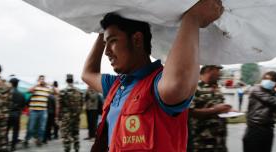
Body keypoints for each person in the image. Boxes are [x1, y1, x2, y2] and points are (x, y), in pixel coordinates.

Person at [81, 0, 224, 151]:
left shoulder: (156, 83)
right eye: (106, 44)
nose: (107, 52)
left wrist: (193, 18)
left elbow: (176, 84)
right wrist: (103, 32)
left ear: (137, 39)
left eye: (113, 41)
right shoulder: (116, 86)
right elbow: (88, 74)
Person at [189, 65, 232, 152]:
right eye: (217, 70)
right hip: (202, 144)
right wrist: (214, 110)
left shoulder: (216, 88)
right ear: (209, 70)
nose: (219, 73)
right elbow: (189, 112)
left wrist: (228, 110)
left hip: (219, 143)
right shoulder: (193, 87)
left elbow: (219, 107)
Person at [243, 71, 276, 152]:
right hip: (255, 129)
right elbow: (274, 102)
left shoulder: (271, 92)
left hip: (268, 129)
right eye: (265, 79)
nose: (266, 81)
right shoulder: (256, 90)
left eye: (271, 80)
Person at [24, 75, 52, 147]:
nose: (42, 80)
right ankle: (27, 139)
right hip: (34, 111)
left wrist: (50, 84)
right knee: (31, 127)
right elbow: (28, 91)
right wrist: (37, 84)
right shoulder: (35, 88)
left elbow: (57, 92)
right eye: (40, 79)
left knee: (42, 127)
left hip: (43, 111)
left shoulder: (47, 89)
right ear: (38, 80)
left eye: (43, 79)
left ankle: (39, 140)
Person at [59, 74, 83, 152]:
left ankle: (67, 149)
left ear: (66, 80)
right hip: (76, 116)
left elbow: (59, 106)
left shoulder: (63, 92)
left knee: (66, 135)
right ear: (72, 80)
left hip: (66, 117)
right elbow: (81, 104)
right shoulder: (79, 91)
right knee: (76, 133)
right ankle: (77, 149)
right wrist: (78, 113)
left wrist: (58, 117)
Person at [6, 78, 26, 151]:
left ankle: (6, 143)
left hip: (8, 113)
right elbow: (23, 105)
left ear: (11, 84)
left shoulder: (7, 93)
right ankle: (13, 146)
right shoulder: (21, 94)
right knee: (15, 130)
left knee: (6, 130)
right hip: (16, 114)